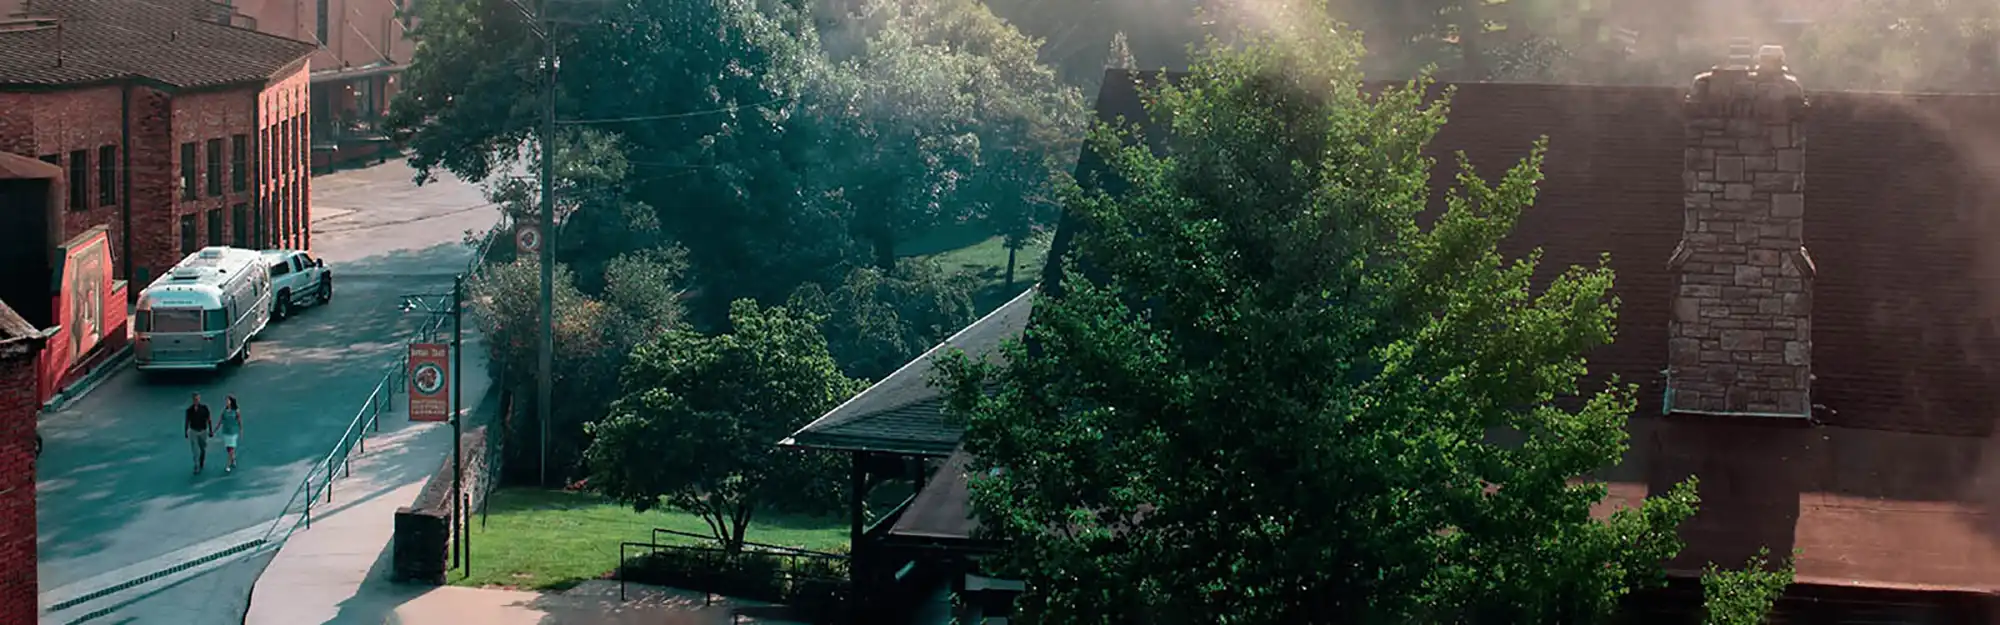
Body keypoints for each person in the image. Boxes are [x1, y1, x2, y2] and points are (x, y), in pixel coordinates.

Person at [185, 393, 212, 474]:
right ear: (193, 400)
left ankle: (201, 460)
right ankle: (196, 465)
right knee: (195, 450)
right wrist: (186, 431)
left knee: (203, 448)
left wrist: (210, 430)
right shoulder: (189, 410)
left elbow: (209, 420)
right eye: (195, 399)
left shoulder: (204, 408)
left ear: (199, 399)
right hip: (193, 431)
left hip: (203, 431)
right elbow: (187, 421)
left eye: (197, 399)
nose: (196, 401)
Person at [218, 396, 243, 473]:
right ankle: (233, 459)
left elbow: (239, 421)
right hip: (226, 432)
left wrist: (241, 430)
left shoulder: (236, 411)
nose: (226, 402)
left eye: (228, 400)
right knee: (228, 449)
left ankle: (228, 465)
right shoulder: (224, 411)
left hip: (233, 432)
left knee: (231, 449)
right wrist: (215, 430)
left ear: (231, 401)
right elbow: (220, 421)